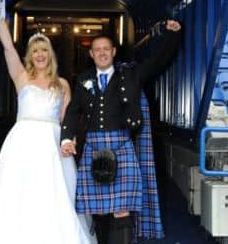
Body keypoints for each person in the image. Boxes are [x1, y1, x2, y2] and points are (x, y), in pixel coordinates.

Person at [0, 15, 97, 244]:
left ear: (50, 54)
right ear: (30, 55)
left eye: (44, 50)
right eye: (35, 51)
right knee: (17, 190)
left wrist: (70, 140)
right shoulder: (21, 77)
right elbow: (7, 47)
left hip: (53, 143)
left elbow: (68, 119)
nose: (40, 55)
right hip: (23, 141)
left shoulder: (63, 84)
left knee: (52, 193)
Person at [60, 20, 182, 244]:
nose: (102, 53)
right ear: (91, 53)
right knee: (97, 208)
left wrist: (171, 36)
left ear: (114, 52)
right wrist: (66, 137)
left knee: (122, 207)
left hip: (122, 146)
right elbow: (72, 111)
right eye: (97, 50)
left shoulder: (131, 75)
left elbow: (158, 61)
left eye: (106, 49)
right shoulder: (83, 80)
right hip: (93, 147)